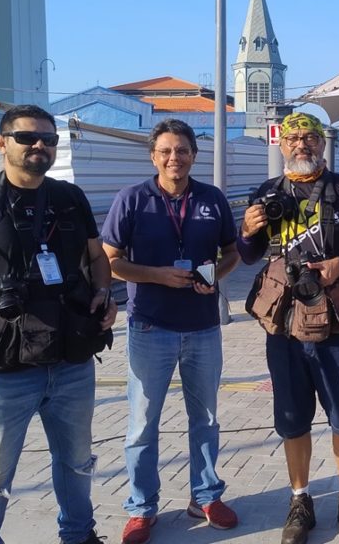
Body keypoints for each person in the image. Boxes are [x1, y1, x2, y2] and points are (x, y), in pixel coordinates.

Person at [0, 104, 116, 544]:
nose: (39, 146)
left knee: (77, 460)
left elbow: (97, 256)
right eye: (27, 138)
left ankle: (79, 535)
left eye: (49, 138)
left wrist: (103, 292)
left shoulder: (69, 198)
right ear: (2, 143)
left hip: (70, 358)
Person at [238, 112, 339, 544]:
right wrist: (246, 231)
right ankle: (300, 499)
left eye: (310, 138)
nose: (302, 145)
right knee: (292, 418)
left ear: (323, 143)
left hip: (337, 320)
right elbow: (247, 256)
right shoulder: (267, 192)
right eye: (294, 138)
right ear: (281, 144)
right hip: (283, 325)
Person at [102, 119, 241, 544]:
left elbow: (232, 253)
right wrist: (157, 276)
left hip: (202, 327)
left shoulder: (212, 199)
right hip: (149, 325)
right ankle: (142, 507)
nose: (173, 158)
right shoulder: (132, 200)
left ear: (193, 155)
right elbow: (110, 260)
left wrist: (215, 274)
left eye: (181, 150)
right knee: (143, 423)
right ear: (153, 156)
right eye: (165, 150)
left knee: (207, 418)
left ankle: (205, 496)